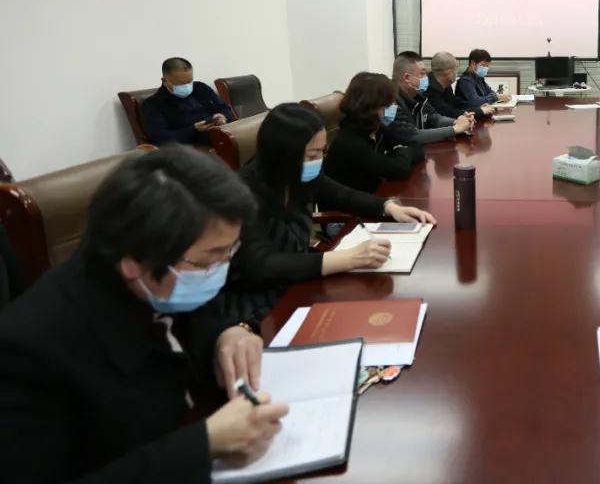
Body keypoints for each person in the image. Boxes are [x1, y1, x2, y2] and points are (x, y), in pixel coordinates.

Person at [0, 146, 289, 482]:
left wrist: (230, 332)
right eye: (209, 260)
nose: (220, 269)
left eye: (230, 252)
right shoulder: (26, 351)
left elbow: (202, 311)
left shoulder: (167, 277)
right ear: (133, 262)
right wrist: (205, 444)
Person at [224, 103, 435, 328]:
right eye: (313, 154)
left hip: (300, 283)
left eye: (322, 151)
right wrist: (348, 258)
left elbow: (340, 194)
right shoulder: (242, 194)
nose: (320, 160)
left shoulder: (298, 173)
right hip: (258, 306)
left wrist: (388, 207)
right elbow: (261, 264)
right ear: (283, 154)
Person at [325, 72, 425, 194]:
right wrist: (400, 150)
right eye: (387, 104)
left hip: (376, 193)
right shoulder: (351, 141)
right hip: (353, 203)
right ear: (372, 106)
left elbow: (416, 147)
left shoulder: (375, 127)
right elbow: (399, 170)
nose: (392, 107)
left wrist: (398, 154)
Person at [142, 57, 236, 146]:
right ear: (164, 81)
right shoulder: (153, 104)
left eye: (189, 81)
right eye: (180, 84)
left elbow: (225, 108)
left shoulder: (201, 88)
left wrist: (223, 117)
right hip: (191, 144)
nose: (187, 86)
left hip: (221, 131)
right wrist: (194, 129)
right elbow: (160, 137)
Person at [388, 52, 472, 145]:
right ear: (407, 77)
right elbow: (412, 135)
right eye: (422, 73)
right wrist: (454, 129)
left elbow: (435, 118)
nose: (426, 77)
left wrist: (456, 122)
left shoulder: (418, 96)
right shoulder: (389, 102)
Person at [428, 51, 495, 121]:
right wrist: (479, 111)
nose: (457, 73)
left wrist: (478, 107)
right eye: (456, 69)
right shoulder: (430, 89)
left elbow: (456, 103)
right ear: (448, 72)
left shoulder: (446, 84)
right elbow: (449, 113)